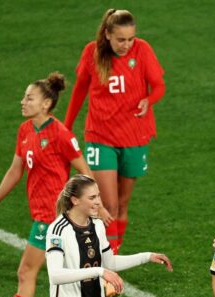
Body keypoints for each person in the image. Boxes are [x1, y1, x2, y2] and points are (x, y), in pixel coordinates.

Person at [0, 73, 92, 297]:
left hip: (52, 217)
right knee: (67, 270)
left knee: (27, 273)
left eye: (29, 98)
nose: (23, 102)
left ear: (46, 104)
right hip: (43, 215)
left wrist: (88, 206)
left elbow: (85, 172)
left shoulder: (60, 134)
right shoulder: (25, 130)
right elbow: (16, 170)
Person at [64, 8, 165, 256]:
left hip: (134, 138)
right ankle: (103, 257)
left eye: (131, 38)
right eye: (121, 39)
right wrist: (66, 127)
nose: (127, 45)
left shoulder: (142, 50)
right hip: (101, 137)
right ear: (108, 34)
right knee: (105, 203)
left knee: (121, 204)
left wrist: (148, 100)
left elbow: (159, 85)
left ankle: (113, 256)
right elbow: (79, 91)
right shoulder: (93, 52)